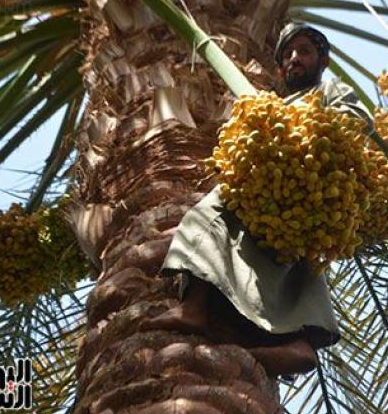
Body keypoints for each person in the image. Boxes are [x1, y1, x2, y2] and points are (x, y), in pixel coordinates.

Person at [156, 22, 371, 377]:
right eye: (287, 54)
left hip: (305, 185)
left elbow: (358, 122)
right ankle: (294, 346)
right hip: (276, 199)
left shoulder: (328, 90)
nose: (294, 58)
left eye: (303, 50)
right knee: (290, 270)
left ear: (324, 59)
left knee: (210, 212)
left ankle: (192, 308)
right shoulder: (278, 105)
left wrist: (305, 130)